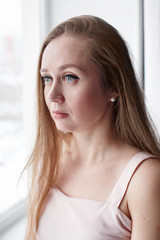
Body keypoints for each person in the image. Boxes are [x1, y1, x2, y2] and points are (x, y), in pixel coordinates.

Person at [25, 15, 160, 240]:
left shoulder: (144, 179)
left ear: (114, 85)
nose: (52, 95)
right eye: (47, 78)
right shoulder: (50, 155)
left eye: (69, 77)